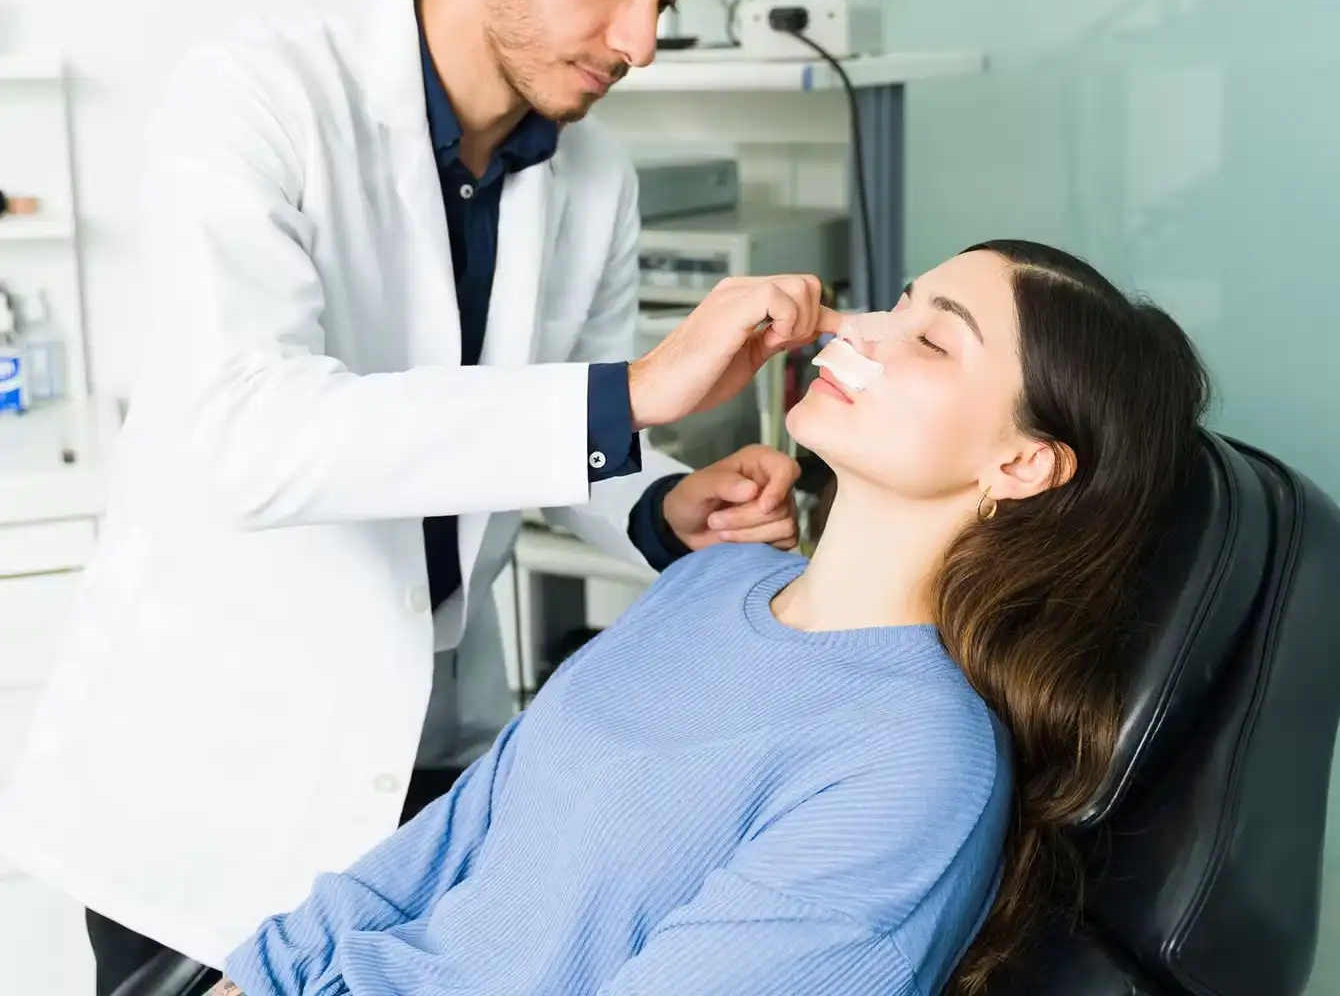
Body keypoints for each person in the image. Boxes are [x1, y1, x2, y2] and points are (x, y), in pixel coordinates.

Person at [0, 0, 820, 995]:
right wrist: (634, 395)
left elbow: (560, 438)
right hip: (210, 786)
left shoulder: (592, 179)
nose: (641, 41)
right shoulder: (256, 101)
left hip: (430, 763)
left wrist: (659, 501)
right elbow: (255, 435)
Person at [209, 241, 1210, 996]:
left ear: (1019, 463)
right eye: (894, 304)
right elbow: (436, 854)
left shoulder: (913, 759)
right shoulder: (705, 584)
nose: (857, 330)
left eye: (931, 338)